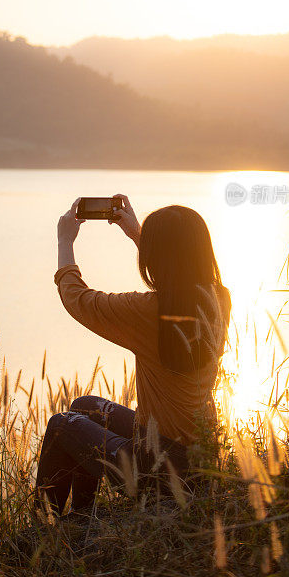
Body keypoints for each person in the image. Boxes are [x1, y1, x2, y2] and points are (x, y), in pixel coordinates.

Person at [35, 194, 231, 516]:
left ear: (159, 257)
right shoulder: (218, 299)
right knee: (83, 407)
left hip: (153, 468)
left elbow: (78, 300)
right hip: (199, 458)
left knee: (62, 424)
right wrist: (138, 235)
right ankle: (82, 518)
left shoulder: (147, 312)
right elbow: (178, 277)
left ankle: (42, 528)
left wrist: (64, 240)